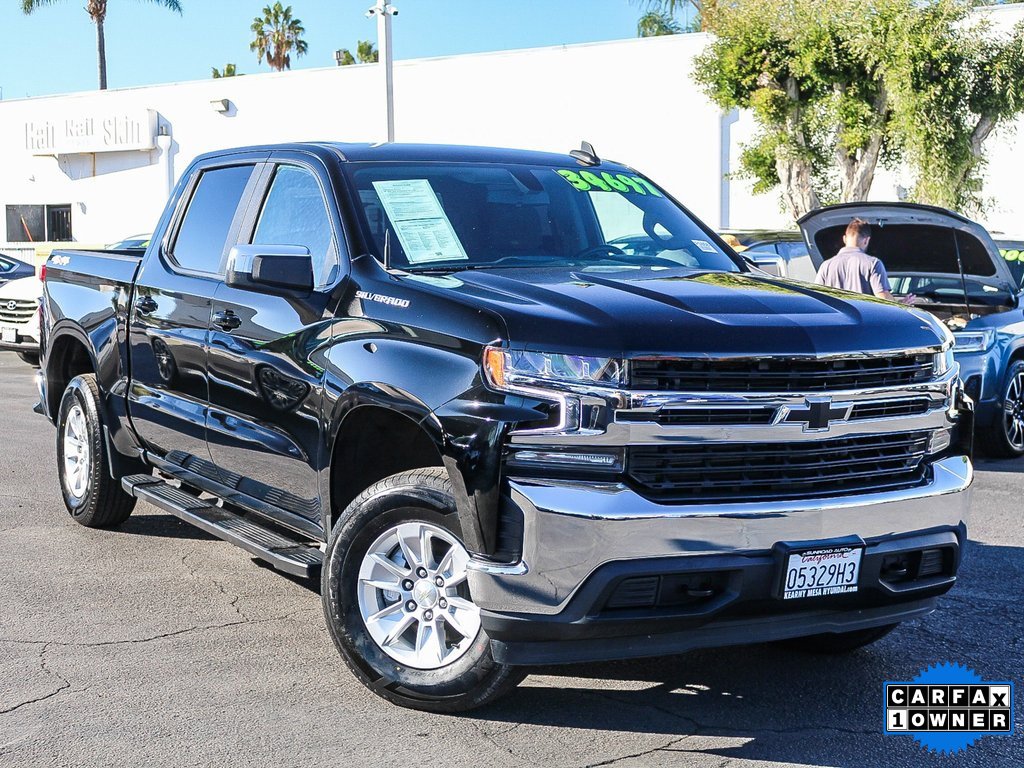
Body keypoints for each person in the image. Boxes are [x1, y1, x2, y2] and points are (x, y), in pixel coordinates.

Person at [815, 218, 914, 304]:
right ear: (866, 240)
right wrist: (901, 304)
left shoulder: (826, 266)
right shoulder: (873, 263)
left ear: (844, 239)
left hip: (835, 320)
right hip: (864, 319)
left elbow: (816, 298)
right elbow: (883, 299)